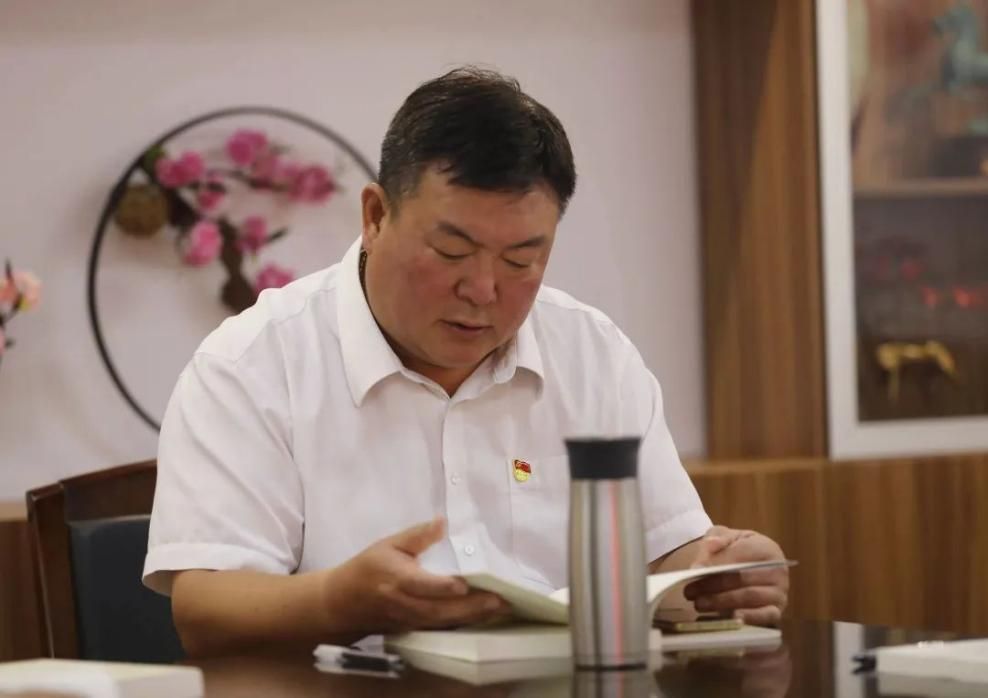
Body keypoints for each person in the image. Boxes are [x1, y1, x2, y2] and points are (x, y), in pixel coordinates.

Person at [143, 67, 788, 657]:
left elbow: (664, 556)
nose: (482, 289)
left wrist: (720, 573)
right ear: (375, 216)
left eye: (520, 260)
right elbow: (206, 608)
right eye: (452, 251)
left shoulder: (593, 354)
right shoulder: (251, 365)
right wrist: (340, 600)